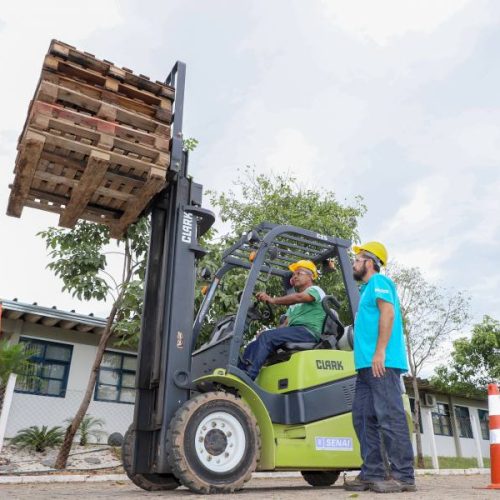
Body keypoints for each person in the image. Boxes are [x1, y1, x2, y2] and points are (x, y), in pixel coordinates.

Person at [344, 241, 416, 494]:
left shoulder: (379, 283)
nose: (353, 263)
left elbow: (388, 314)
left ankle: (403, 476)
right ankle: (372, 472)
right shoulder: (366, 290)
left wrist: (380, 352)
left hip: (381, 363)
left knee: (390, 416)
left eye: (357, 259)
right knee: (363, 418)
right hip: (365, 367)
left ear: (369, 262)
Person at [237, 259, 326, 380]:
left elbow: (299, 297)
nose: (295, 277)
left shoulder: (316, 290)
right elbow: (285, 324)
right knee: (253, 344)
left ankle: (248, 377)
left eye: (299, 273)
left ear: (310, 276)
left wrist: (272, 300)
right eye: (293, 275)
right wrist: (268, 333)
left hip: (308, 332)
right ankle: (239, 374)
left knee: (267, 337)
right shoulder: (294, 305)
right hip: (296, 331)